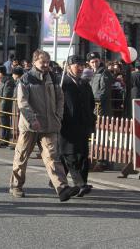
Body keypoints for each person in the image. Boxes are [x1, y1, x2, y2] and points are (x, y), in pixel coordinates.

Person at [9, 49, 80, 202]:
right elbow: (22, 102)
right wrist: (32, 119)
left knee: (52, 157)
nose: (46, 65)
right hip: (30, 126)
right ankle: (16, 186)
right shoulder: (26, 79)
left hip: (49, 125)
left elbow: (60, 98)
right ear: (35, 62)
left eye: (47, 62)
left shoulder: (53, 78)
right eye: (43, 62)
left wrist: (58, 115)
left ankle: (62, 188)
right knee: (21, 156)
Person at [59, 55, 95, 197]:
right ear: (68, 67)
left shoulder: (84, 84)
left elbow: (90, 103)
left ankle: (56, 181)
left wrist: (90, 119)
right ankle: (80, 184)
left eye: (82, 66)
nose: (80, 68)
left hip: (82, 125)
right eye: (76, 65)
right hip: (66, 125)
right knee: (70, 155)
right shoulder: (63, 83)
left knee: (83, 155)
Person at [88, 52, 113, 116]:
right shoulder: (92, 73)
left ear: (100, 61)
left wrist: (94, 100)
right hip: (93, 105)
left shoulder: (104, 72)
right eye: (92, 62)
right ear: (89, 63)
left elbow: (104, 90)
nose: (95, 64)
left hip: (101, 106)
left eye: (96, 61)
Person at [0, 65, 15, 147]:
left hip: (4, 105)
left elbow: (6, 95)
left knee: (4, 123)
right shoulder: (3, 80)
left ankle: (4, 140)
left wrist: (1, 108)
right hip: (0, 104)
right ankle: (2, 139)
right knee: (2, 122)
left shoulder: (8, 81)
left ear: (0, 73)